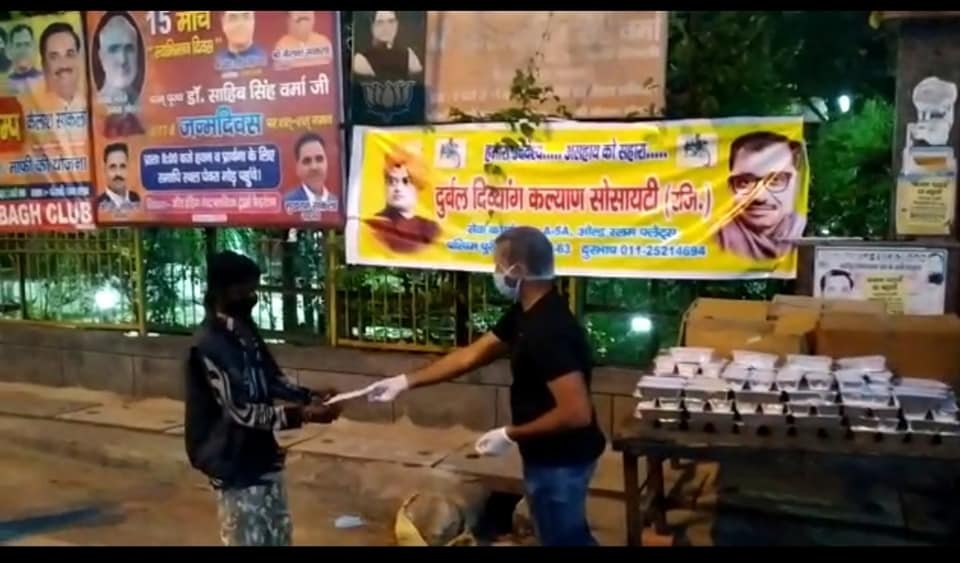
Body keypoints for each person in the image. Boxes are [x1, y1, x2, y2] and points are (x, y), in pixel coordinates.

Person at [366, 226, 606, 546]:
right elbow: (473, 354)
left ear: (516, 270)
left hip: (562, 460)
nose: (496, 273)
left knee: (566, 540)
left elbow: (576, 413)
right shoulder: (526, 313)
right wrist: (404, 382)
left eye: (498, 265)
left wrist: (510, 434)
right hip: (546, 455)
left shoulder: (549, 329)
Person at [185, 251, 342, 546]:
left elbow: (271, 379)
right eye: (245, 290)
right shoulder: (209, 344)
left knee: (278, 536)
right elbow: (240, 411)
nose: (252, 297)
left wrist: (312, 396)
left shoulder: (244, 330)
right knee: (249, 539)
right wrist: (303, 414)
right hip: (233, 462)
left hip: (261, 455)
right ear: (224, 291)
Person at [715, 131, 806, 261]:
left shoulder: (801, 228)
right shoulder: (715, 236)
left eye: (775, 180)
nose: (760, 197)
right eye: (744, 182)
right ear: (730, 187)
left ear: (796, 184)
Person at [363, 152, 440, 254]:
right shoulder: (374, 225)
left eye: (405, 182)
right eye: (391, 182)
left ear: (418, 185)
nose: (397, 189)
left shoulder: (430, 228)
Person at [94, 12, 145, 138]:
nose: (122, 59)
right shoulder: (94, 109)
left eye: (129, 49)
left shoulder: (147, 107)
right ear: (101, 57)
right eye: (114, 49)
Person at [353, 11, 423, 81]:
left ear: (397, 24)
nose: (386, 28)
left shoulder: (408, 55)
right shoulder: (360, 59)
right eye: (380, 22)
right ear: (371, 25)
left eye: (391, 21)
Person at [283, 132, 338, 212]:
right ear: (298, 168)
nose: (314, 167)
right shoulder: (285, 204)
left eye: (319, 159)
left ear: (326, 162)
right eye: (307, 161)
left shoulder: (338, 204)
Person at [38, 22, 83, 112]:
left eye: (69, 54)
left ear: (79, 59)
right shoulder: (29, 106)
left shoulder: (97, 106)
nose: (63, 64)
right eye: (54, 57)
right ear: (43, 65)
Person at [96, 143, 141, 212]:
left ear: (128, 168)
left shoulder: (137, 199)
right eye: (113, 167)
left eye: (122, 166)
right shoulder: (97, 205)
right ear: (105, 169)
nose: (118, 173)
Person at [7, 24, 42, 95]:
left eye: (27, 44)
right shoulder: (7, 84)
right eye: (18, 45)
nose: (23, 50)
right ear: (11, 48)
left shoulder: (43, 79)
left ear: (33, 46)